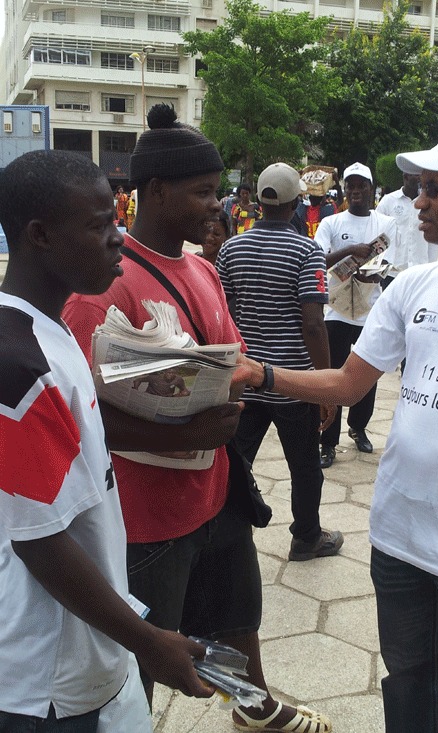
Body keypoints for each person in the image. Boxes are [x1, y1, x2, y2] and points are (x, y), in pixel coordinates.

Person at [236, 120, 438, 733]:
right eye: (416, 186)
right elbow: (350, 384)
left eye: (434, 187)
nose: (417, 201)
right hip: (401, 532)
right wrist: (259, 376)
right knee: (407, 683)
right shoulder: (415, 284)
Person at [64, 105, 332, 733]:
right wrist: (177, 431)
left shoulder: (206, 269)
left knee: (239, 610)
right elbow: (82, 414)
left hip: (215, 489)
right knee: (147, 647)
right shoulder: (106, 286)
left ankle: (253, 706)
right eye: (204, 192)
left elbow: (231, 354)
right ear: (156, 192)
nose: (219, 205)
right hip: (147, 513)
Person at [0, 149, 213, 732]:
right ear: (40, 235)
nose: (118, 238)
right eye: (99, 226)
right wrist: (149, 641)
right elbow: (39, 542)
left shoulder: (54, 329)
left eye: (115, 220)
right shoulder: (16, 366)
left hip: (91, 648)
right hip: (48, 677)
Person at [217, 162, 343, 562]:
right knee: (305, 467)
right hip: (291, 384)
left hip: (245, 379)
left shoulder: (231, 247)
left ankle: (223, 535)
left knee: (235, 462)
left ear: (257, 202)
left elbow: (222, 312)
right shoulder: (308, 251)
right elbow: (313, 325)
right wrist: (326, 384)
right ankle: (306, 537)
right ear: (296, 203)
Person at [315, 162, 397, 469]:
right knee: (335, 374)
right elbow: (318, 259)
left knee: (368, 373)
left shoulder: (386, 223)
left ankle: (359, 426)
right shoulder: (332, 223)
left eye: (363, 186)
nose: (357, 191)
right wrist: (350, 250)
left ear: (372, 189)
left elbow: (392, 261)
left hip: (370, 310)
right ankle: (327, 441)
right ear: (345, 190)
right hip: (335, 309)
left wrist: (376, 275)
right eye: (352, 186)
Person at [375, 171, 438, 286]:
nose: (420, 178)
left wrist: (431, 267)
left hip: (420, 273)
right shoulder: (388, 201)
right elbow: (375, 233)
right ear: (405, 177)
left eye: (421, 175)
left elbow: (434, 238)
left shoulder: (429, 204)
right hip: (392, 273)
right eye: (416, 175)